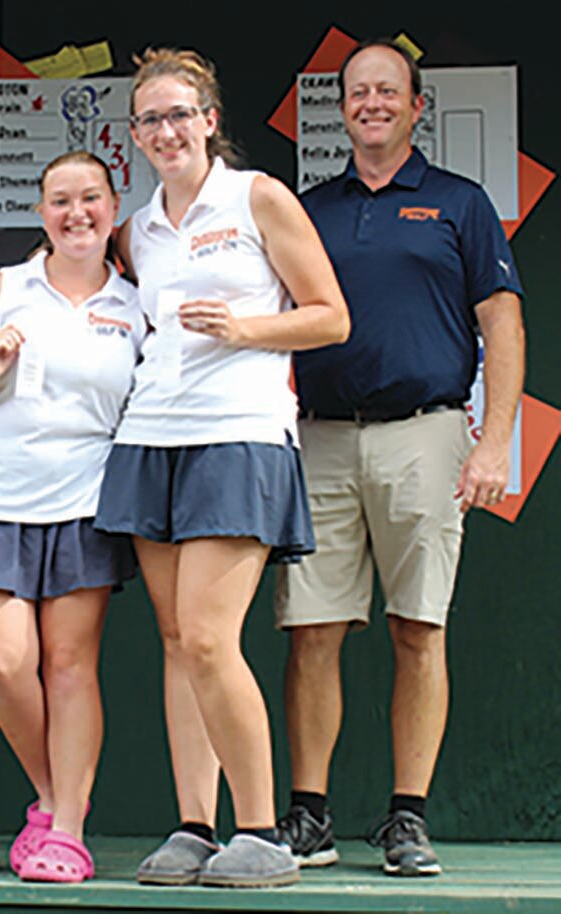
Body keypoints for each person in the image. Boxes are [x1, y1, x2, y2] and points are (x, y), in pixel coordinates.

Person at [93, 47, 350, 888]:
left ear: (209, 121)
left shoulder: (258, 196)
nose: (166, 131)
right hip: (151, 435)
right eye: (150, 119)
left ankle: (265, 834)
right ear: (135, 134)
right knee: (176, 642)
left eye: (180, 114)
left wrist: (244, 330)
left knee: (210, 636)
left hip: (239, 433)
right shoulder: (137, 227)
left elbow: (329, 317)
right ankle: (195, 827)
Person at [274, 38, 524, 878]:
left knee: (419, 627)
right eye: (356, 92)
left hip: (427, 430)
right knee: (312, 630)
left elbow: (503, 325)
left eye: (389, 91)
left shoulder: (460, 202)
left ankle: (406, 819)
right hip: (320, 435)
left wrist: (493, 441)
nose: (372, 103)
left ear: (418, 106)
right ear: (341, 108)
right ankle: (308, 817)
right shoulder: (311, 208)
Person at [0, 151, 143, 884]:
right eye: (60, 200)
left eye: (90, 198)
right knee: (4, 662)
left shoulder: (135, 305)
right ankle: (52, 798)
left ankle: (69, 833)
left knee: (71, 666)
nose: (76, 213)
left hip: (85, 503)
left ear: (113, 208)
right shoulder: (6, 287)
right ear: (41, 211)